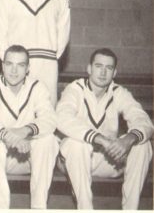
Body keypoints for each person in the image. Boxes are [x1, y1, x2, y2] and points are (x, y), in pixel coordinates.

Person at [56, 48, 153, 210]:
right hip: (74, 160)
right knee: (77, 144)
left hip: (109, 159)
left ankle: (131, 209)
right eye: (98, 66)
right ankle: (85, 208)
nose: (103, 72)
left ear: (114, 72)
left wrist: (129, 140)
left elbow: (143, 119)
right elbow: (62, 118)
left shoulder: (119, 92)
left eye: (108, 68)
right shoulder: (75, 89)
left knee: (143, 145)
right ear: (89, 69)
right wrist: (101, 139)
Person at [0, 45, 58, 209]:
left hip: (27, 156)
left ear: (27, 69)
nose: (14, 70)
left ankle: (39, 207)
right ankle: (0, 208)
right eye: (9, 64)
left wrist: (24, 131)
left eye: (20, 65)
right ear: (2, 66)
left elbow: (50, 119)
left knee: (49, 140)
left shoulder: (37, 87)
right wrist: (9, 136)